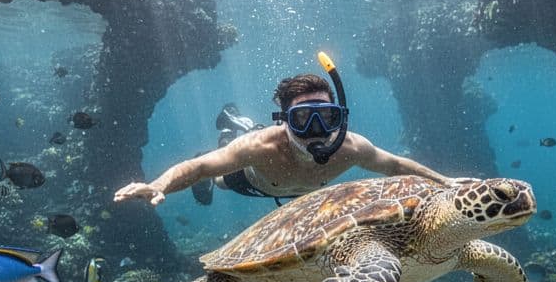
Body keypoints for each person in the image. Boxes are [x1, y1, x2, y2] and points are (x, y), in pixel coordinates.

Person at [114, 53, 452, 206]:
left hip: (291, 192)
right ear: (285, 120)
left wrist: (447, 183)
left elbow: (394, 166)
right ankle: (233, 129)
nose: (317, 131)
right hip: (251, 183)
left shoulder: (351, 147)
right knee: (214, 177)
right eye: (303, 119)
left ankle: (239, 124)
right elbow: (199, 167)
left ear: (339, 117)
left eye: (326, 117)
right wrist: (159, 185)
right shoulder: (261, 148)